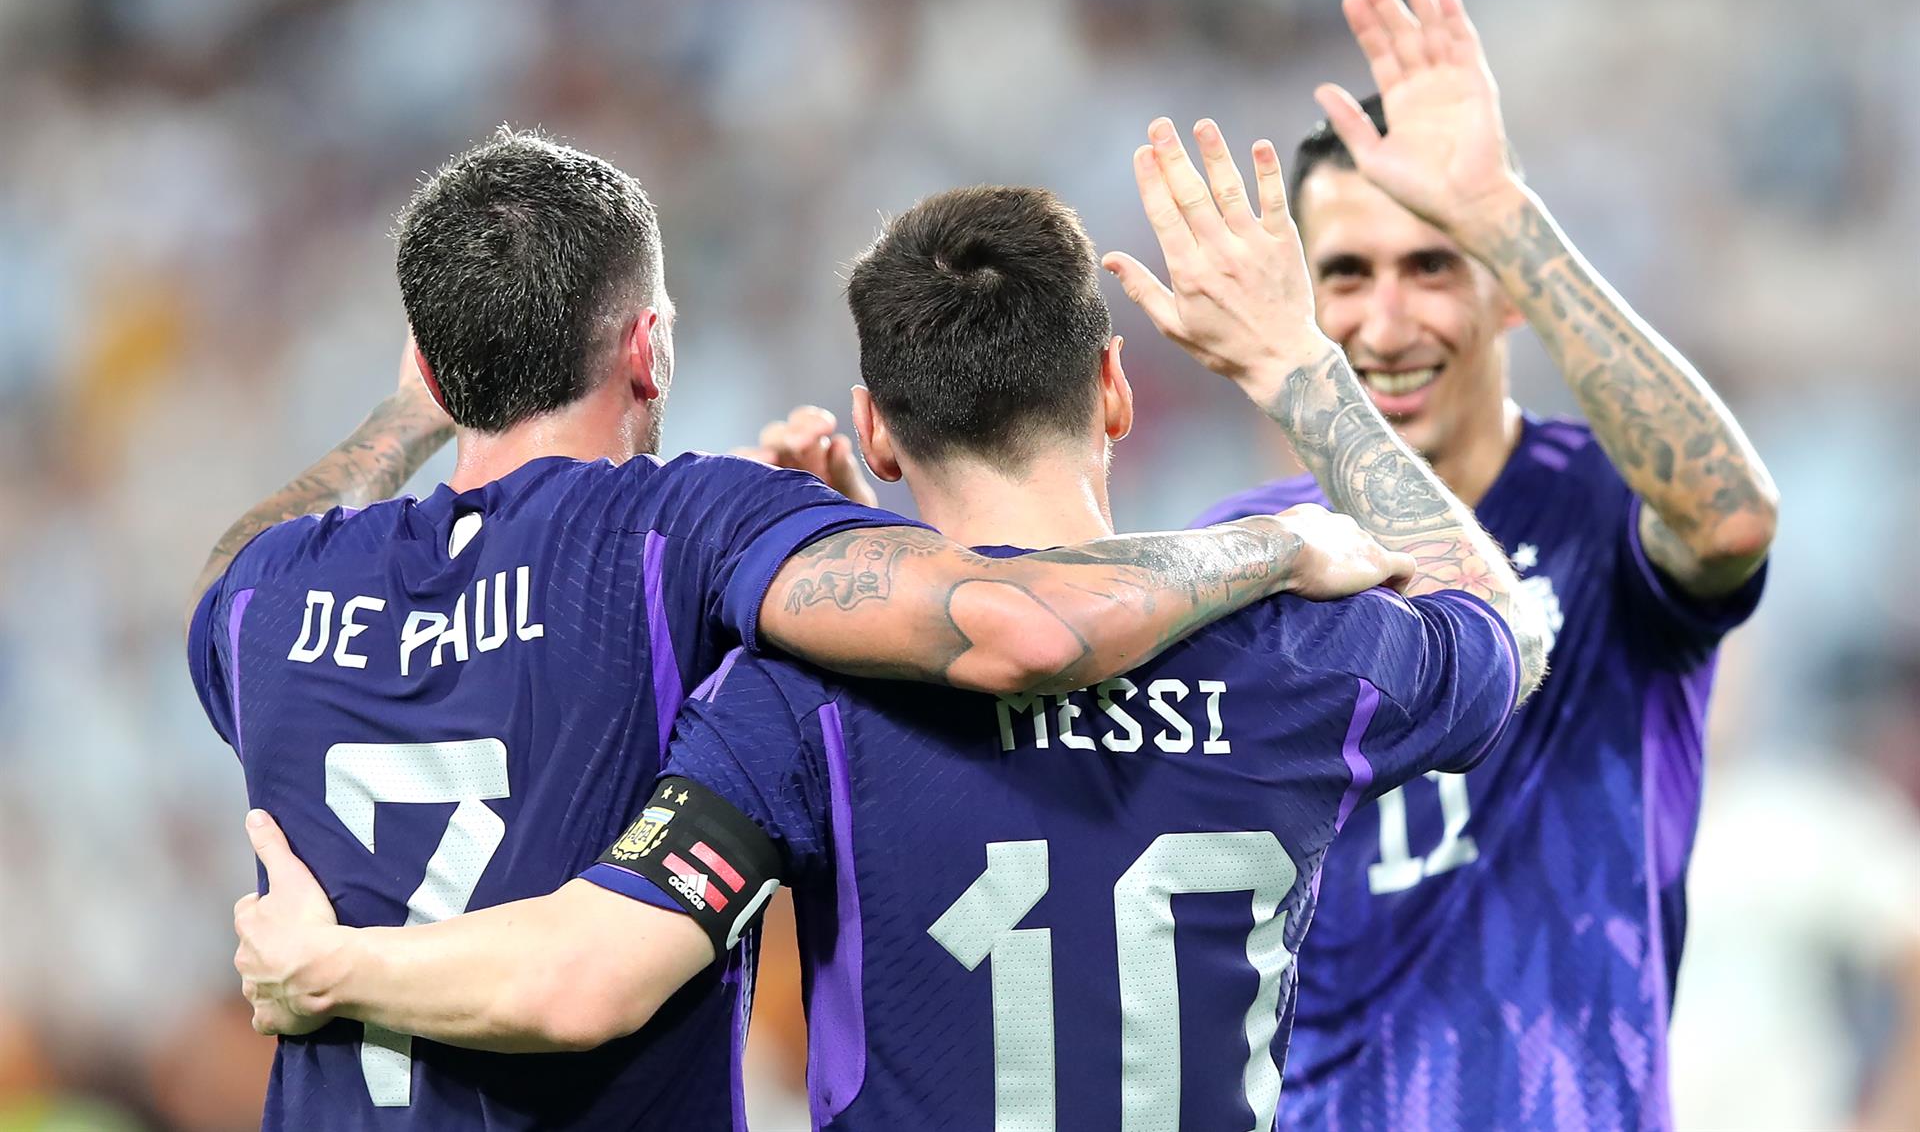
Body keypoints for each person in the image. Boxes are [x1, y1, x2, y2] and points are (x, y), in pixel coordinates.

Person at [229, 140, 1548, 1126]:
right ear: (1112, 386)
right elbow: (1499, 620)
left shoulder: (800, 704)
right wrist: (1294, 374)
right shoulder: (1317, 657)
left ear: (871, 430)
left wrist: (332, 965)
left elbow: (590, 971)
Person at [1176, 0, 1778, 1129]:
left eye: (1433, 266)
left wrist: (1501, 211)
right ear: (1301, 301)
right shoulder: (1243, 553)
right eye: (1345, 276)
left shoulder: (1604, 509)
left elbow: (1734, 519)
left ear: (1505, 291)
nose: (1386, 324)